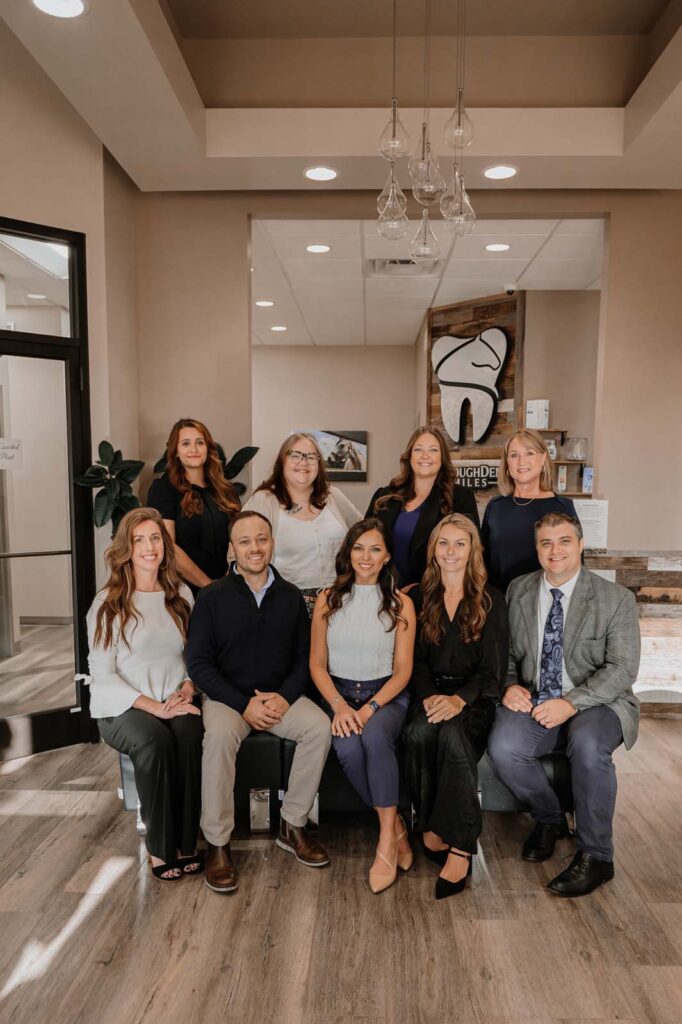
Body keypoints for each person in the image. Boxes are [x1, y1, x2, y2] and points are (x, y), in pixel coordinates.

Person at [487, 511, 641, 897]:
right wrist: (507, 685)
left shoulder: (614, 599)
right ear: (536, 549)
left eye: (564, 541)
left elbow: (622, 669)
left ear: (581, 544)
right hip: (536, 696)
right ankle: (552, 819)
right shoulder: (518, 591)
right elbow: (503, 654)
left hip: (598, 702)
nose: (555, 551)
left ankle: (597, 856)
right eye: (546, 543)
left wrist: (571, 703)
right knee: (504, 749)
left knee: (588, 747)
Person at [187, 510, 331, 894]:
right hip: (227, 698)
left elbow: (304, 659)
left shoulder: (290, 596)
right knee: (217, 739)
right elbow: (198, 664)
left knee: (319, 728)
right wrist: (241, 704)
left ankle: (292, 824)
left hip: (278, 697)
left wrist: (284, 698)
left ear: (272, 543)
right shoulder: (211, 597)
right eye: (245, 541)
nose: (255, 548)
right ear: (232, 550)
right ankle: (218, 843)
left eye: (262, 539)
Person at [86, 508, 201, 881]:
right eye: (139, 540)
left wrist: (187, 688)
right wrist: (154, 708)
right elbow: (102, 674)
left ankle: (185, 841)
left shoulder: (180, 595)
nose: (149, 547)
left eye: (155, 539)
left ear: (165, 546)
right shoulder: (109, 603)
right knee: (153, 740)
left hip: (173, 696)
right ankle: (159, 846)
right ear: (127, 549)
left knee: (188, 735)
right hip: (122, 705)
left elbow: (191, 657)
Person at [403, 514, 509, 900]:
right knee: (416, 734)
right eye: (443, 543)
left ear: (472, 550)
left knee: (452, 736)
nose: (451, 551)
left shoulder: (491, 599)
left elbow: (492, 674)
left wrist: (457, 700)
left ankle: (462, 847)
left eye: (459, 544)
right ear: (433, 550)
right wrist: (432, 696)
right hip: (428, 693)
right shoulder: (416, 597)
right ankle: (431, 827)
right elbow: (411, 662)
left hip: (473, 699)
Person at [310, 518, 416, 894]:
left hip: (385, 695)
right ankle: (397, 825)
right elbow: (316, 665)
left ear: (387, 556)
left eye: (375, 549)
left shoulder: (402, 603)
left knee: (373, 739)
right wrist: (339, 707)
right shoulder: (327, 599)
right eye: (358, 548)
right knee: (349, 749)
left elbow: (403, 672)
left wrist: (370, 707)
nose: (366, 556)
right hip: (339, 695)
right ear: (348, 554)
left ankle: (385, 841)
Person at [245, 433, 361, 615]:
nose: (303, 462)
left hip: (338, 602)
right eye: (295, 455)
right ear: (282, 461)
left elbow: (363, 534)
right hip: (285, 605)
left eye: (311, 456)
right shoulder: (264, 500)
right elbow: (239, 551)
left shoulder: (333, 496)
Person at [366, 426, 480, 590]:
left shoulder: (460, 498)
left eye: (433, 450)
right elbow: (364, 541)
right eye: (418, 449)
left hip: (432, 595)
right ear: (409, 456)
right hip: (381, 591)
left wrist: (418, 591)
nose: (425, 456)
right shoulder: (384, 496)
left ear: (442, 458)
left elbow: (471, 552)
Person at [147, 418, 241, 593]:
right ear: (175, 451)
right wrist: (209, 585)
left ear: (208, 448)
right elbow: (167, 546)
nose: (194, 449)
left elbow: (238, 540)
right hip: (185, 591)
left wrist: (229, 582)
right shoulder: (163, 490)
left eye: (200, 442)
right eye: (185, 443)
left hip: (228, 588)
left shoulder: (226, 491)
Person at [481, 428, 577, 593]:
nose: (521, 461)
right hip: (501, 603)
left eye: (529, 453)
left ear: (543, 458)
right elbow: (481, 561)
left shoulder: (562, 507)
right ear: (507, 465)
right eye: (514, 455)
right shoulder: (496, 507)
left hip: (544, 605)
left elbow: (575, 564)